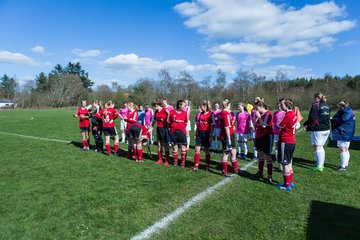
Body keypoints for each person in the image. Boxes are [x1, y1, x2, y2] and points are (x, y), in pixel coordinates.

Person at [303, 93, 330, 172]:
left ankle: (319, 166)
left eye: (314, 97)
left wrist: (306, 125)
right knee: (320, 146)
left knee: (317, 147)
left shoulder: (316, 105)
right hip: (327, 128)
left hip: (319, 129)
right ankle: (320, 163)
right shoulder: (327, 105)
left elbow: (312, 117)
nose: (313, 99)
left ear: (317, 98)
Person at [277, 99, 297, 191]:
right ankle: (290, 182)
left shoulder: (288, 115)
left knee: (285, 163)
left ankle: (287, 185)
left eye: (282, 105)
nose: (280, 106)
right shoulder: (293, 113)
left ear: (286, 106)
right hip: (292, 141)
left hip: (286, 141)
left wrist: (281, 122)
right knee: (289, 162)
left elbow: (279, 125)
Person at [330, 99, 356, 171]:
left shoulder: (347, 111)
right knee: (345, 149)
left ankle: (343, 166)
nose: (338, 106)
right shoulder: (345, 110)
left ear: (343, 105)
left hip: (344, 132)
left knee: (343, 148)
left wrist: (332, 119)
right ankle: (345, 165)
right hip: (346, 131)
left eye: (340, 105)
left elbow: (343, 119)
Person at [253, 101, 274, 183]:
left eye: (256, 108)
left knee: (267, 156)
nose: (256, 110)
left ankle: (269, 176)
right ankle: (260, 172)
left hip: (267, 137)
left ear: (261, 106)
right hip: (259, 136)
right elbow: (256, 127)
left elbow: (264, 125)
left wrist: (259, 117)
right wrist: (256, 120)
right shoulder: (259, 115)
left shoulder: (268, 114)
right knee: (260, 155)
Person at [192, 100, 214, 171]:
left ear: (207, 106)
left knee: (207, 150)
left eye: (203, 106)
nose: (201, 107)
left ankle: (207, 165)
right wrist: (196, 134)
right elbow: (198, 124)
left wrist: (211, 135)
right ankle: (196, 165)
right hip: (200, 133)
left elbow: (212, 125)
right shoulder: (200, 114)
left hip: (207, 133)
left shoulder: (211, 114)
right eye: (201, 106)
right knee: (197, 149)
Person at [219, 99, 239, 177]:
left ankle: (235, 169)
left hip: (230, 134)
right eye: (230, 105)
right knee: (226, 153)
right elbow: (226, 127)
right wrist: (229, 139)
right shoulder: (225, 113)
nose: (231, 107)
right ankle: (224, 171)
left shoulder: (225, 113)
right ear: (227, 105)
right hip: (227, 136)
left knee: (233, 152)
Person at [168, 99, 188, 167]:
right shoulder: (172, 112)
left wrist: (181, 127)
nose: (184, 106)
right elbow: (169, 122)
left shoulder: (185, 113)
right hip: (173, 132)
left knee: (183, 147)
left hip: (182, 131)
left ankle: (182, 163)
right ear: (179, 105)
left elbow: (186, 122)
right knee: (175, 147)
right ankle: (175, 162)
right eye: (183, 105)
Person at [152, 101, 170, 166]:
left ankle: (167, 160)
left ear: (158, 105)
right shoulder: (156, 112)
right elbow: (154, 120)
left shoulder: (165, 110)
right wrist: (150, 127)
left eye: (154, 106)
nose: (154, 108)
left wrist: (168, 120)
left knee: (165, 145)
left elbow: (170, 116)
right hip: (158, 129)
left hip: (164, 129)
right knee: (159, 145)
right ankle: (159, 159)